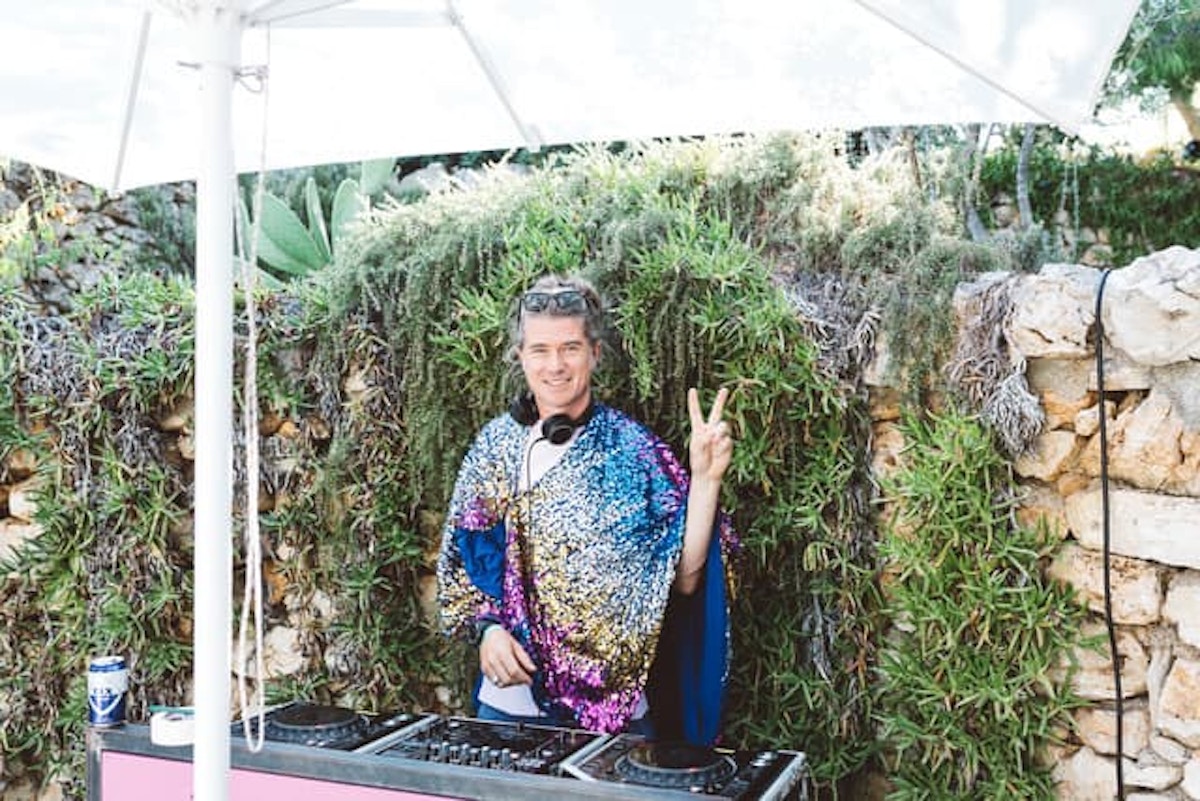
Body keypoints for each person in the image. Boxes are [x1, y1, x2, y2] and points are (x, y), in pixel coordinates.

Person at [436, 273, 738, 744]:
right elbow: (463, 567)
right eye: (540, 350)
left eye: (570, 348)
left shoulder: (635, 453)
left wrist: (705, 479)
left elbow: (684, 580)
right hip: (510, 710)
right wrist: (488, 632)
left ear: (595, 353)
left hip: (617, 714)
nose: (555, 365)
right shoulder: (495, 449)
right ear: (520, 356)